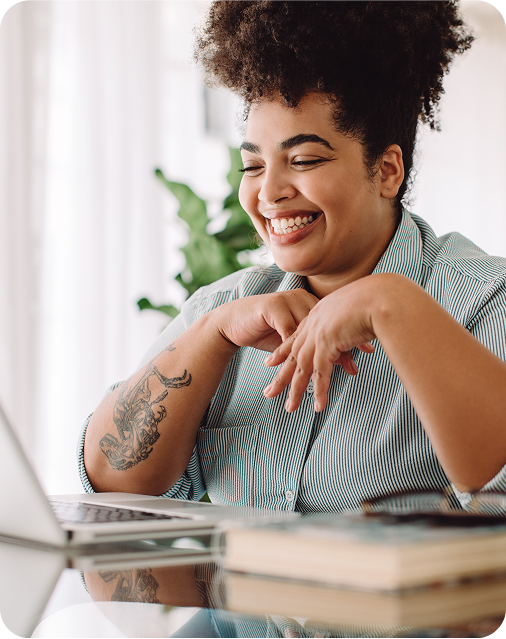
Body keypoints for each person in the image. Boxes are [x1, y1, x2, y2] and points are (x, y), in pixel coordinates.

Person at [79, 0, 506, 514]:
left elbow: (496, 498)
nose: (269, 192)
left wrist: (391, 301)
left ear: (387, 170)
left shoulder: (484, 300)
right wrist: (212, 337)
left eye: (303, 160)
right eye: (253, 165)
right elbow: (112, 483)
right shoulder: (229, 308)